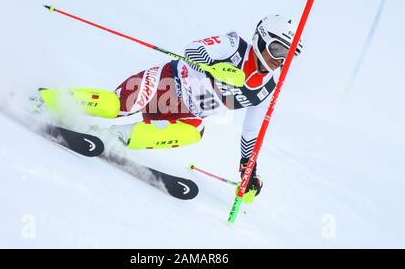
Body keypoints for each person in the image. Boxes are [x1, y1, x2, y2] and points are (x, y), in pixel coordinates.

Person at [37, 14, 303, 203]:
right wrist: (217, 70)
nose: (279, 59)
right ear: (261, 39)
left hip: (188, 113)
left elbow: (251, 132)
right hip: (165, 85)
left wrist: (249, 169)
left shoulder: (265, 90)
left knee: (194, 132)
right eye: (277, 48)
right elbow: (193, 50)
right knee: (114, 105)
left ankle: (111, 138)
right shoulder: (234, 47)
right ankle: (44, 100)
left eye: (288, 55)